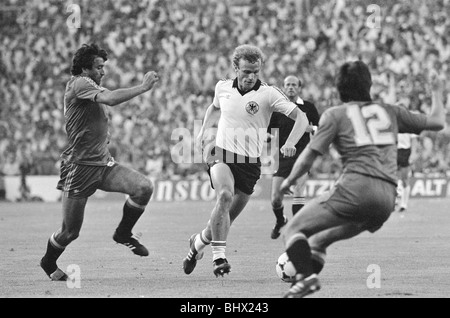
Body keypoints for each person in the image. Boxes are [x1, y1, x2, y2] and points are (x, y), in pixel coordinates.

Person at [278, 61, 445, 298]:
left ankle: (307, 278)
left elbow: (308, 158)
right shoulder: (391, 111)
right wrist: (437, 90)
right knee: (319, 242)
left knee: (294, 228)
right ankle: (302, 283)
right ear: (369, 84)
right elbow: (438, 122)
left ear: (339, 89)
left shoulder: (335, 115)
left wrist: (286, 183)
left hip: (355, 189)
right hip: (386, 199)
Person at [182, 44, 309, 277]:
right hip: (221, 153)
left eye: (255, 72)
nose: (251, 76)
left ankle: (196, 245)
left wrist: (290, 142)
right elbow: (213, 107)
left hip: (250, 163)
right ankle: (219, 258)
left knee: (223, 219)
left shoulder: (269, 94)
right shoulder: (222, 87)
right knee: (224, 195)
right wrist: (202, 131)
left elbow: (300, 117)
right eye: (246, 71)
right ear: (235, 68)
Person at [40, 43, 159, 281]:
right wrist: (143, 87)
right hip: (80, 168)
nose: (103, 71)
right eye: (99, 67)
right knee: (70, 232)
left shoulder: (90, 86)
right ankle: (48, 262)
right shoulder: (80, 83)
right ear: (85, 68)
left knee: (143, 188)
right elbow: (112, 99)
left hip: (103, 165)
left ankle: (123, 234)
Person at [268, 75, 320, 239]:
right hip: (281, 155)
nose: (290, 87)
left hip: (302, 154)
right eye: (287, 85)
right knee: (276, 199)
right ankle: (280, 220)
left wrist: (309, 128)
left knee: (299, 190)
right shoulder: (277, 109)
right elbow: (269, 132)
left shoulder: (309, 108)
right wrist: (266, 138)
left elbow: (320, 128)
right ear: (283, 87)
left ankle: (296, 231)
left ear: (299, 88)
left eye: (294, 85)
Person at [396, 132, 418, 215]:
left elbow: (414, 140)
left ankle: (404, 204)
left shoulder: (409, 124)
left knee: (404, 178)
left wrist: (413, 154)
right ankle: (394, 201)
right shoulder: (394, 122)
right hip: (394, 150)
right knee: (393, 177)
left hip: (405, 151)